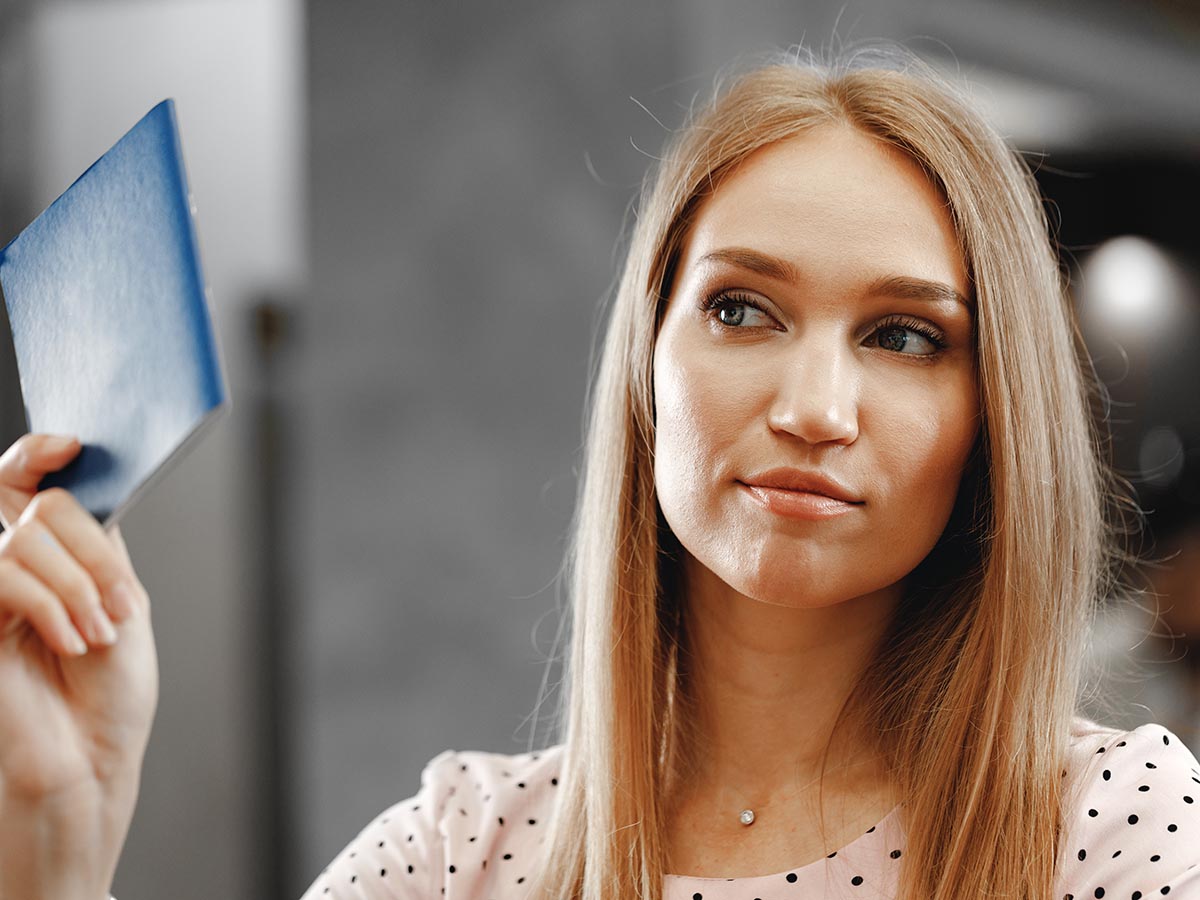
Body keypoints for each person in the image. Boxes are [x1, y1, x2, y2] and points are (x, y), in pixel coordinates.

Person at [1, 45, 1198, 900]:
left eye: (904, 336)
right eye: (742, 308)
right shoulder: (455, 857)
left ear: (994, 421)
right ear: (645, 367)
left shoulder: (1116, 835)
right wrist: (58, 837)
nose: (812, 408)